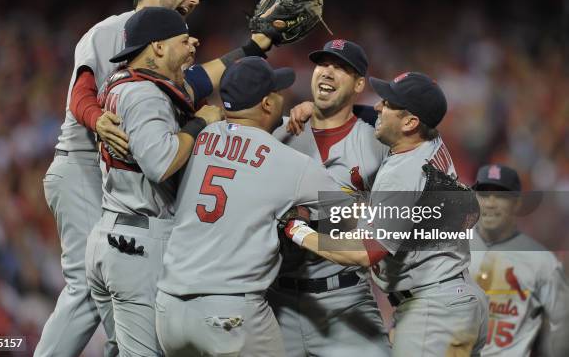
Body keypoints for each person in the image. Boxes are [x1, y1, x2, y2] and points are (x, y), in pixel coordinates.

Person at [40, 0, 271, 356]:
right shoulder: (111, 29)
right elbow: (82, 89)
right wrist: (96, 119)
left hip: (115, 176)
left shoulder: (159, 55)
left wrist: (254, 48)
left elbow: (196, 83)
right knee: (84, 288)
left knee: (115, 299)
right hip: (80, 164)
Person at [283, 72, 489, 356]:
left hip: (433, 309)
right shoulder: (430, 141)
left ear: (410, 122)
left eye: (388, 103)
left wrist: (298, 231)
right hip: (458, 299)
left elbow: (363, 252)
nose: (378, 107)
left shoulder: (402, 173)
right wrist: (319, 110)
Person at [155, 56, 339, 357]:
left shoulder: (198, 137)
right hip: (230, 312)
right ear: (267, 104)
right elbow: (355, 215)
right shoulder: (289, 163)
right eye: (277, 92)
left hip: (169, 309)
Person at [85, 6, 224, 355]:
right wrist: (200, 123)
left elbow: (188, 85)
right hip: (138, 243)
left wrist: (254, 47)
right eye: (182, 40)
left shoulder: (120, 82)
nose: (191, 46)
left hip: (113, 232)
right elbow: (160, 163)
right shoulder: (145, 94)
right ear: (158, 47)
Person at [269, 39, 390, 356]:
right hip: (276, 302)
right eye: (323, 64)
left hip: (345, 300)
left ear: (359, 84)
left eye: (341, 68)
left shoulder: (376, 142)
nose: (328, 72)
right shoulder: (278, 133)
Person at [469, 164, 569, 356]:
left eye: (500, 196)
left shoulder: (541, 262)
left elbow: (562, 325)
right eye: (484, 194)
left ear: (517, 203)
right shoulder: (450, 248)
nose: (490, 203)